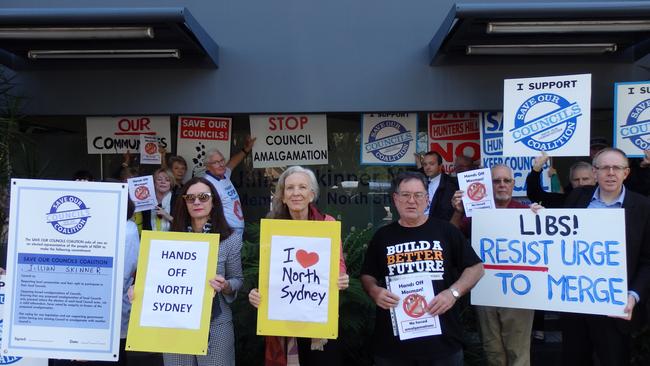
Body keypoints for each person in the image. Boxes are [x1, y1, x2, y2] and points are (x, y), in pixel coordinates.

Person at [361, 171, 484, 366]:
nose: (412, 201)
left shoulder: (446, 231)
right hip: (393, 345)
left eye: (418, 195)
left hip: (442, 344)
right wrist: (374, 290)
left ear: (427, 199)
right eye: (405, 195)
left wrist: (453, 293)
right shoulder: (382, 236)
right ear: (395, 199)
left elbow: (476, 268)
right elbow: (368, 275)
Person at [248, 166, 349, 365]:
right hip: (284, 318)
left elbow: (337, 263)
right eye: (290, 188)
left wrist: (341, 277)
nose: (296, 193)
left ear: (311, 195)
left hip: (318, 316)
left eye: (302, 187)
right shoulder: (273, 228)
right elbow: (269, 274)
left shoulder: (326, 224)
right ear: (283, 196)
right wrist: (257, 294)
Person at [561, 147, 650, 366]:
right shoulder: (576, 197)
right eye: (604, 168)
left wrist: (634, 295)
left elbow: (648, 260)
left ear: (626, 173)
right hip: (576, 305)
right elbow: (557, 238)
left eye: (617, 168)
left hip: (617, 308)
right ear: (595, 172)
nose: (611, 173)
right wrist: (537, 216)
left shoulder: (643, 206)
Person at [152, 177, 243, 366]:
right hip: (176, 325)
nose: (197, 202)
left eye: (203, 197)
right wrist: (138, 289)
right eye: (190, 198)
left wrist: (226, 285)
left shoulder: (230, 239)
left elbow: (237, 279)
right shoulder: (168, 240)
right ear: (183, 202)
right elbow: (154, 281)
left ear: (214, 201)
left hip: (216, 324)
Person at [451, 165, 535, 366]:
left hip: (519, 292)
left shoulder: (526, 211)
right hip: (485, 289)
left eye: (507, 181)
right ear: (489, 185)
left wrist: (543, 218)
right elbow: (450, 237)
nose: (502, 185)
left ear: (514, 184)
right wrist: (458, 211)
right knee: (492, 350)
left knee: (518, 352)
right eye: (497, 181)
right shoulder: (475, 212)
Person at [202, 136, 256, 240]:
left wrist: (246, 150)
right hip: (225, 232)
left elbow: (232, 162)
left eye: (222, 160)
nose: (221, 164)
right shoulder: (207, 183)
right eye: (216, 162)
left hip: (236, 230)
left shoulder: (224, 174)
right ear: (208, 166)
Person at [526, 152, 595, 208]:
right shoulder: (565, 200)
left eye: (585, 179)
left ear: (596, 179)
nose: (581, 183)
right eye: (576, 180)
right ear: (571, 181)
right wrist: (536, 168)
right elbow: (535, 195)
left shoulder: (602, 198)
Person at [418, 151, 458, 221]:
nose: (427, 167)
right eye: (425, 164)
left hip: (440, 227)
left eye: (431, 164)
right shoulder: (420, 182)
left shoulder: (450, 184)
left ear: (440, 166)